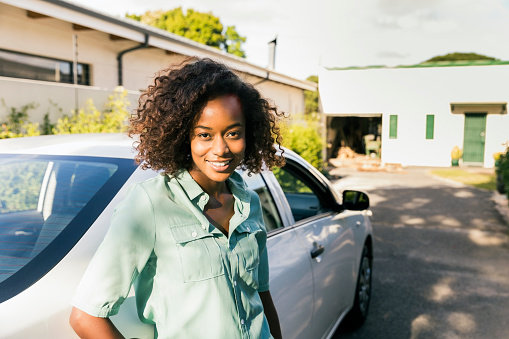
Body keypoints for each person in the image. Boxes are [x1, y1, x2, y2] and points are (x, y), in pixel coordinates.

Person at [69, 57, 285, 339]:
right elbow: (85, 317)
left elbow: (260, 293)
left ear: (249, 134)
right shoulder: (149, 204)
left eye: (233, 133)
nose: (220, 149)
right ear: (184, 136)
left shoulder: (249, 203)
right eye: (204, 135)